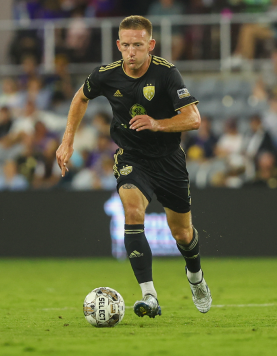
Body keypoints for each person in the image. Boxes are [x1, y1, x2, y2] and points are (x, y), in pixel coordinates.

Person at [55, 16, 211, 318]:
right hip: (131, 157)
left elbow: (194, 119)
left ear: (150, 45)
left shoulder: (167, 74)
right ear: (118, 45)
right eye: (125, 45)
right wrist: (67, 140)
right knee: (132, 210)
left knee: (182, 233)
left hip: (168, 161)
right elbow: (80, 97)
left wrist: (157, 123)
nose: (130, 52)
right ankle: (149, 296)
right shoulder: (106, 75)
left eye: (137, 45)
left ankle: (196, 278)